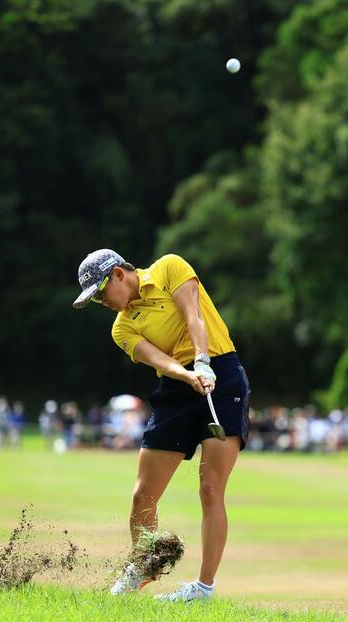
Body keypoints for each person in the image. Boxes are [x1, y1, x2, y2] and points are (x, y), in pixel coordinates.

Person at [72, 249, 250, 602]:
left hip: (222, 374)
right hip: (176, 388)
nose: (102, 302)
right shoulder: (121, 327)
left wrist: (202, 361)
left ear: (119, 275)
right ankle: (143, 567)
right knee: (143, 495)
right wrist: (187, 374)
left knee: (211, 488)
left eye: (101, 293)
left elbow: (193, 314)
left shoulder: (169, 267)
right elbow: (159, 359)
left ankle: (204, 588)